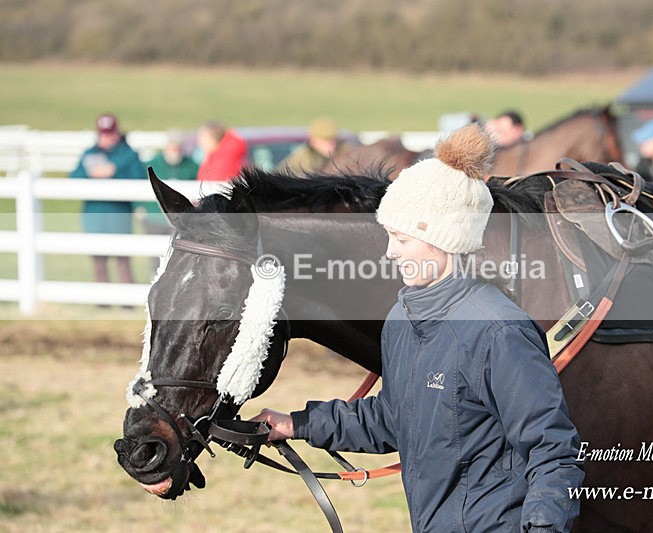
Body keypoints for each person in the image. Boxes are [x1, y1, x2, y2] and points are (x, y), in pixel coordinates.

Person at [253, 124, 584, 532]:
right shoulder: (402, 319)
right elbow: (395, 417)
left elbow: (552, 450)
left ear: (443, 239)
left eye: (401, 238)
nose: (390, 252)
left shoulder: (499, 331)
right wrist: (297, 424)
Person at [69, 113, 145, 287]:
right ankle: (102, 301)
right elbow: (74, 178)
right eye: (103, 133)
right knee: (98, 260)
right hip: (95, 214)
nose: (107, 137)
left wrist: (115, 172)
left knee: (122, 259)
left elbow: (139, 179)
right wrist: (90, 174)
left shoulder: (128, 155)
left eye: (110, 133)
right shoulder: (89, 154)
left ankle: (127, 299)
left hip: (118, 213)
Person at [134, 129, 198, 274]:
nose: (175, 151)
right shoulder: (151, 164)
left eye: (178, 147)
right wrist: (139, 207)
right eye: (172, 147)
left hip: (179, 220)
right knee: (155, 258)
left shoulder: (191, 165)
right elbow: (139, 186)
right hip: (154, 217)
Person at [279, 117, 351, 173]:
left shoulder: (347, 154)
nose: (329, 144)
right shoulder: (301, 159)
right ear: (313, 140)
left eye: (332, 139)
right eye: (324, 140)